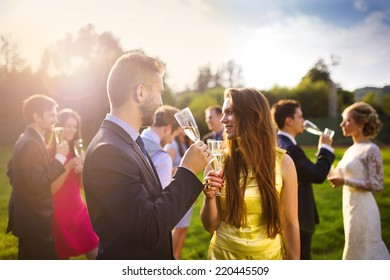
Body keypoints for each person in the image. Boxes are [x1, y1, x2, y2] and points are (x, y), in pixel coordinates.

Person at [83, 51, 213, 260]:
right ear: (140, 93)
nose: (161, 101)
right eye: (159, 92)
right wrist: (187, 172)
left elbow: (152, 204)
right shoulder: (108, 151)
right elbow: (149, 229)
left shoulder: (129, 140)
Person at [200, 88, 300, 260]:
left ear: (252, 115)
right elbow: (210, 226)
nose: (222, 120)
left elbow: (291, 224)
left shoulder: (284, 163)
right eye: (223, 113)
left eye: (229, 112)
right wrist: (209, 197)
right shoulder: (216, 162)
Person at [6, 94, 69, 259]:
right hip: (35, 221)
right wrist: (60, 159)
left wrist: (23, 187)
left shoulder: (28, 138)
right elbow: (37, 183)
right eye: (51, 115)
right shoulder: (29, 143)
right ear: (36, 116)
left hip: (30, 220)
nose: (55, 119)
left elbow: (11, 171)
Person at [271, 99, 335, 260]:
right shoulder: (290, 148)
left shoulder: (279, 142)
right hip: (297, 218)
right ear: (289, 121)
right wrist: (325, 148)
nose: (304, 121)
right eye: (300, 117)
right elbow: (317, 174)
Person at [328, 102, 389, 260]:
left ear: (360, 124)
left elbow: (377, 184)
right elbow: (335, 176)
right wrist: (325, 152)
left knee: (367, 250)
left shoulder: (371, 149)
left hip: (364, 210)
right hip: (349, 207)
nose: (342, 124)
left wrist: (346, 181)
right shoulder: (350, 149)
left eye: (347, 120)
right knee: (353, 248)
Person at [48, 108, 99, 259]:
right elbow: (52, 189)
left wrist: (82, 171)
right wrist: (69, 166)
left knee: (96, 251)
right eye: (68, 125)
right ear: (59, 127)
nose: (72, 130)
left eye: (74, 126)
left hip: (78, 209)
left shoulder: (79, 152)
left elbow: (82, 186)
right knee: (62, 257)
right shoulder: (50, 152)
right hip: (59, 213)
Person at [165, 130, 194, 259]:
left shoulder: (186, 143)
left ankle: (178, 256)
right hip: (178, 191)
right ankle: (171, 257)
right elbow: (164, 169)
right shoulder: (172, 146)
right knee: (178, 227)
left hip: (187, 189)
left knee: (184, 227)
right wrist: (187, 169)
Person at [141, 105, 181, 189]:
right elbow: (164, 200)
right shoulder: (162, 158)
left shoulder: (131, 142)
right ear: (168, 128)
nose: (171, 141)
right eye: (175, 135)